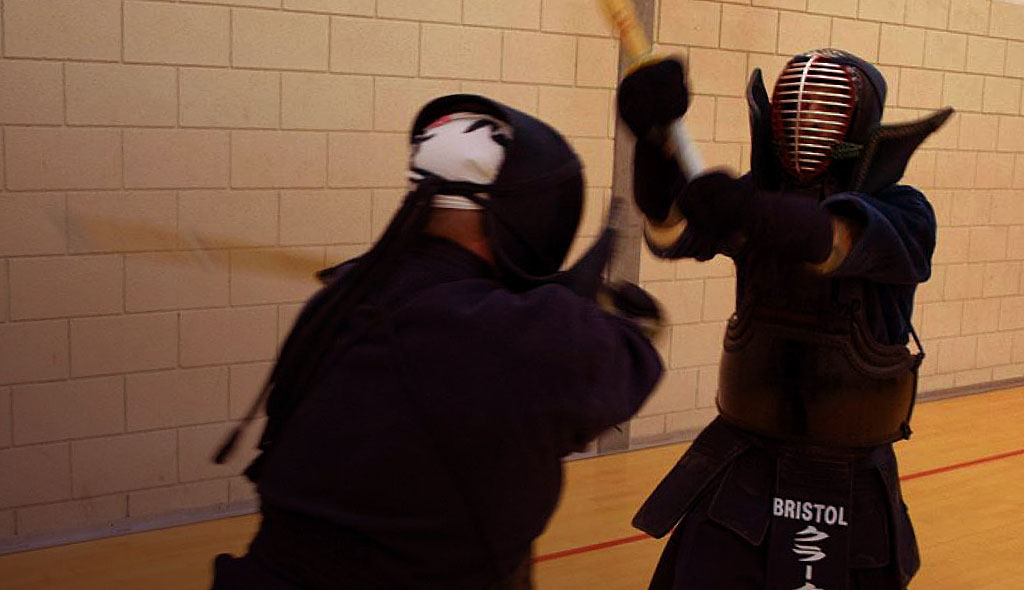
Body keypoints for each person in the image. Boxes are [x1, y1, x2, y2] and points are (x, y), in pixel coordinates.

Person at [209, 94, 664, 589]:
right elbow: (623, 367)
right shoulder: (513, 334)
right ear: (524, 215)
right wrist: (615, 316)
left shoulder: (342, 297)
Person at [616, 49, 952, 589]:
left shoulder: (905, 210)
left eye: (824, 106)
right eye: (796, 105)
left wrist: (745, 209)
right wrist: (654, 144)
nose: (806, 118)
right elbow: (671, 232)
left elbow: (831, 240)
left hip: (847, 473)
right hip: (746, 459)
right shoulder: (757, 197)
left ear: (859, 122)